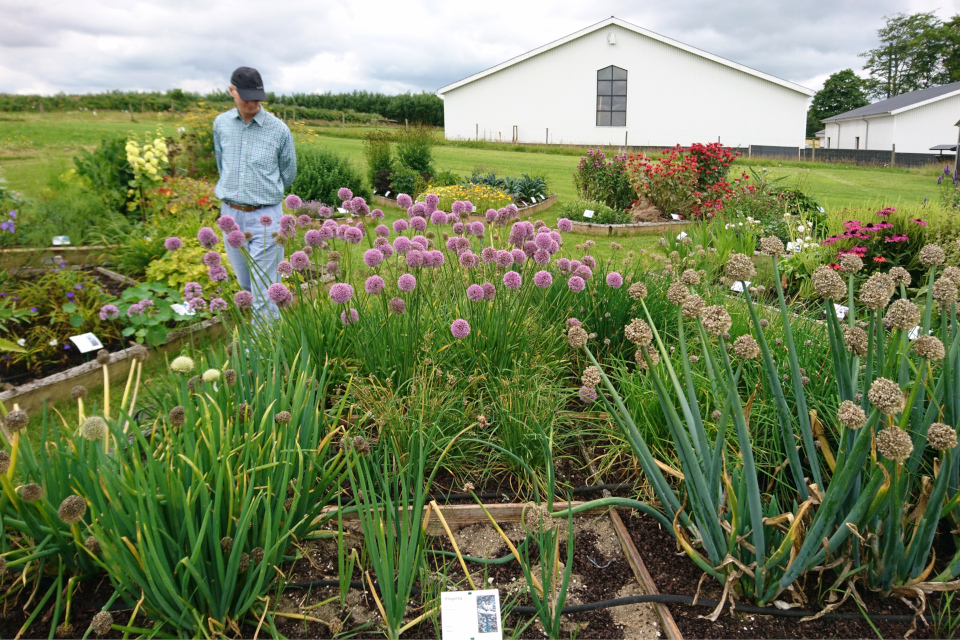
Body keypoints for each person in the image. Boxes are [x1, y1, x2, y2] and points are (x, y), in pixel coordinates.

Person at [214, 66, 296, 322]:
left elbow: (288, 172)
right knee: (246, 282)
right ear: (232, 91)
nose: (251, 103)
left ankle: (265, 353)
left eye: (256, 98)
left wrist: (263, 192)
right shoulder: (221, 124)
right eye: (245, 97)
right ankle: (262, 338)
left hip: (266, 216)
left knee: (265, 287)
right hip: (231, 215)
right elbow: (221, 163)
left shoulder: (278, 129)